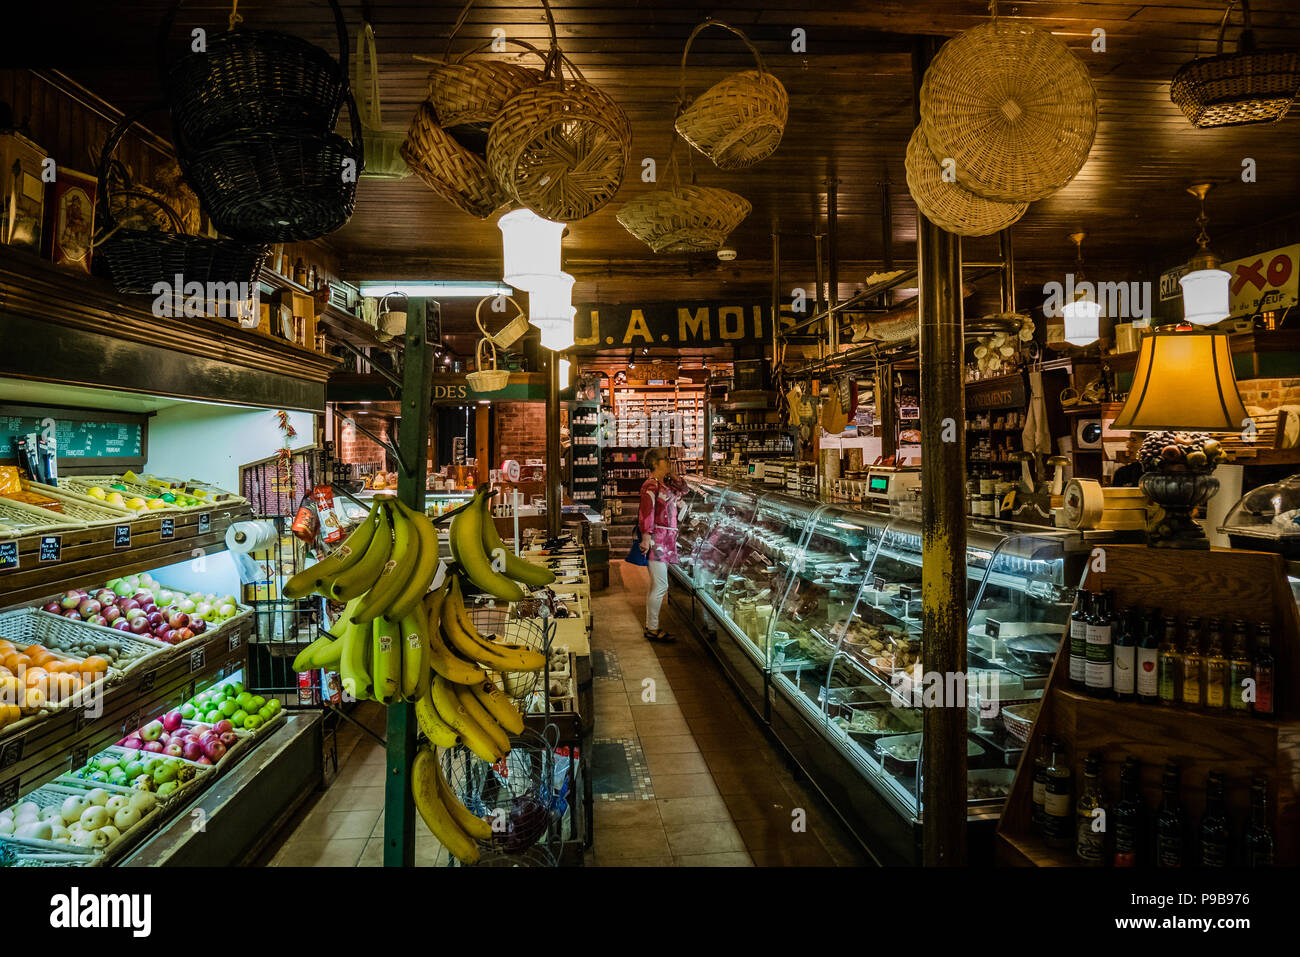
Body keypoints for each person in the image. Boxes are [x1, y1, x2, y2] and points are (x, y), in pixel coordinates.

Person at [637, 447, 687, 642]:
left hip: (665, 541)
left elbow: (683, 490)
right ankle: (652, 628)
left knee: (656, 585)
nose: (668, 461)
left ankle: (652, 626)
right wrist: (646, 536)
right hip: (658, 541)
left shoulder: (662, 485)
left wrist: (673, 476)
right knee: (661, 585)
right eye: (665, 459)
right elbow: (647, 512)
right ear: (655, 463)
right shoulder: (650, 487)